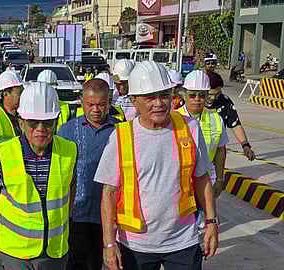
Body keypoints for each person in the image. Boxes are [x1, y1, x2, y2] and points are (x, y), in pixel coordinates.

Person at [96, 61, 218, 270]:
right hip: (135, 244)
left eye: (164, 95)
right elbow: (108, 193)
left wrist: (211, 222)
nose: (159, 103)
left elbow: (202, 178)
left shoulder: (190, 129)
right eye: (150, 97)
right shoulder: (121, 136)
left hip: (182, 241)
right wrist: (109, 243)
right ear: (134, 100)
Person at [0, 81, 77, 269]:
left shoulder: (69, 151)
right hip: (15, 252)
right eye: (33, 123)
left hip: (55, 250)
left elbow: (71, 189)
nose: (40, 129)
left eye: (47, 122)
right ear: (21, 122)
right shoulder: (4, 154)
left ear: (57, 121)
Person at [58, 79, 121, 270]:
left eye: (101, 105)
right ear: (82, 102)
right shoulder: (67, 131)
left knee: (100, 262)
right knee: (74, 263)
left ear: (109, 102)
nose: (95, 110)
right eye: (90, 104)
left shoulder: (121, 131)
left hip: (110, 215)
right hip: (76, 213)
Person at [176, 70, 228, 199]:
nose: (197, 99)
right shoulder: (174, 118)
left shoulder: (216, 118)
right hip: (179, 181)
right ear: (184, 95)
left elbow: (220, 151)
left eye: (202, 96)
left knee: (207, 216)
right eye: (192, 95)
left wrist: (220, 179)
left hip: (206, 179)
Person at [206, 72, 256, 161]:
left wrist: (245, 145)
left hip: (216, 153)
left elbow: (235, 124)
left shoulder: (225, 102)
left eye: (217, 94)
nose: (213, 98)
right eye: (210, 94)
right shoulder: (194, 103)